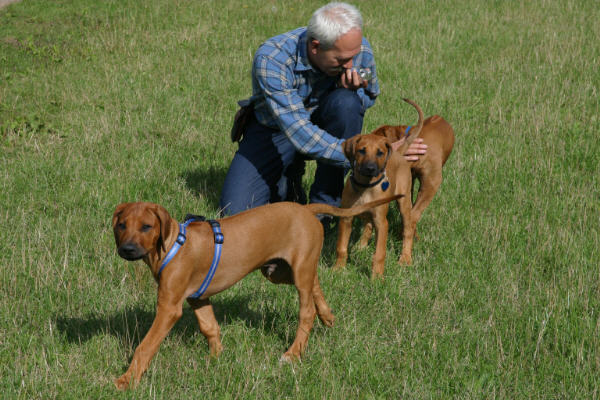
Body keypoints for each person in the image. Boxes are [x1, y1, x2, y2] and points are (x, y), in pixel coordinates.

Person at [219, 2, 426, 217]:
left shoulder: (358, 48)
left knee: (347, 104)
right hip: (275, 130)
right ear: (315, 47)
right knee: (235, 212)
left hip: (325, 123)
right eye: (342, 60)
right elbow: (299, 132)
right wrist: (358, 155)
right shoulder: (272, 59)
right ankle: (290, 175)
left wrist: (352, 91)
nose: (351, 64)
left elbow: (370, 94)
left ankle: (325, 211)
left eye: (353, 57)